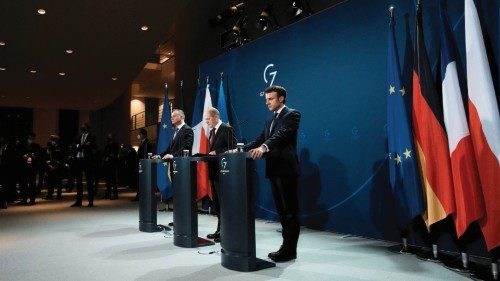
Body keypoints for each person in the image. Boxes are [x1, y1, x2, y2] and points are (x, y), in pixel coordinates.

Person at [244, 85, 301, 262]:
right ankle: (285, 246)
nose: (267, 102)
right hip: (273, 169)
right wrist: (238, 150)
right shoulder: (270, 120)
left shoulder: (292, 114)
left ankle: (290, 250)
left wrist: (264, 147)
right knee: (282, 212)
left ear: (281, 99)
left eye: (270, 99)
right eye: (266, 99)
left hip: (286, 169)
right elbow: (260, 139)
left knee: (290, 211)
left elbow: (281, 135)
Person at [204, 107, 236, 243]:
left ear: (215, 116)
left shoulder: (226, 129)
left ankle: (226, 231)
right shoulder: (212, 132)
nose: (206, 122)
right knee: (217, 204)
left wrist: (216, 152)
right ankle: (220, 230)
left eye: (208, 119)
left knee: (223, 204)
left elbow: (233, 147)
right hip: (214, 172)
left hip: (223, 172)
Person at [71, 123, 98, 207]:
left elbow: (91, 147)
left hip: (88, 161)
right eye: (81, 127)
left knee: (89, 181)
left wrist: (80, 146)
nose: (82, 128)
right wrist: (82, 146)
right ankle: (78, 201)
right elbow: (74, 146)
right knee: (78, 182)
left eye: (84, 127)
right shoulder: (78, 137)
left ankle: (90, 201)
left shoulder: (92, 137)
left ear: (87, 128)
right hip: (79, 160)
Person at [131, 128, 152, 201]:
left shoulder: (147, 143)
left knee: (143, 181)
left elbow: (147, 155)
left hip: (144, 165)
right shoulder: (142, 142)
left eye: (140, 134)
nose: (139, 135)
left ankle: (142, 196)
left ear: (143, 135)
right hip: (140, 164)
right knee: (139, 181)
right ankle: (139, 195)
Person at [44, 135, 64, 200]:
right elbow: (47, 156)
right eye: (52, 140)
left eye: (54, 140)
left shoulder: (60, 147)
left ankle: (59, 195)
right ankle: (50, 194)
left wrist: (56, 166)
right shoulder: (49, 147)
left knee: (58, 182)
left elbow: (61, 158)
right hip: (50, 166)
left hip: (57, 167)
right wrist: (49, 165)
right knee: (50, 181)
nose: (53, 141)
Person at [101, 133, 119, 200]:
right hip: (107, 164)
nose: (108, 137)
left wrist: (109, 156)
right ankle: (108, 194)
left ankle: (115, 194)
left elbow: (114, 154)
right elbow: (104, 153)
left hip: (112, 164)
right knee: (107, 180)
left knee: (113, 180)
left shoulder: (115, 145)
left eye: (110, 136)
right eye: (108, 136)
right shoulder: (107, 145)